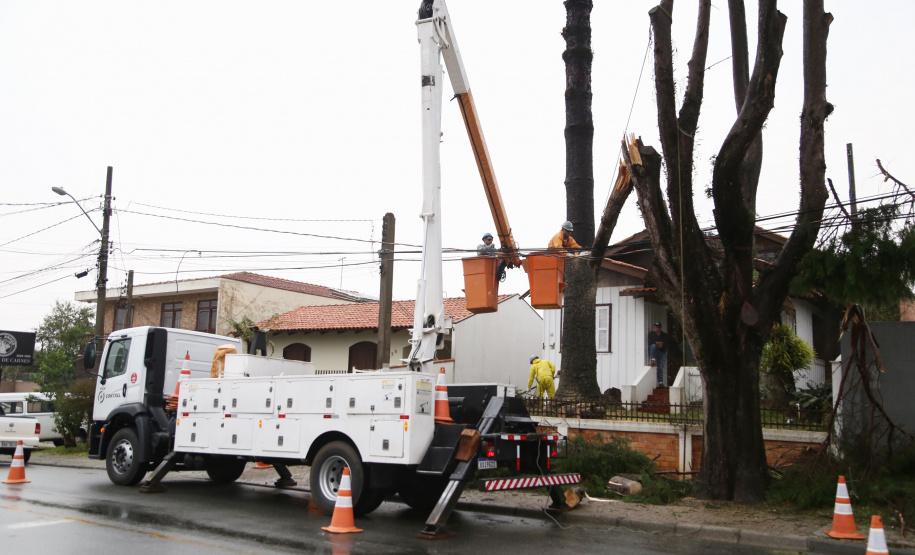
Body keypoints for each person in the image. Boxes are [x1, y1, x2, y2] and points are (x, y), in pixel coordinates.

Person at [647, 322, 670, 387]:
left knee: (660, 367)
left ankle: (660, 382)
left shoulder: (664, 335)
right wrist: (659, 343)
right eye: (654, 327)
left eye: (656, 327)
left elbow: (665, 345)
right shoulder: (651, 334)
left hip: (662, 352)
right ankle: (653, 360)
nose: (655, 328)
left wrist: (660, 345)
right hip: (654, 351)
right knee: (653, 346)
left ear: (660, 328)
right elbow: (651, 343)